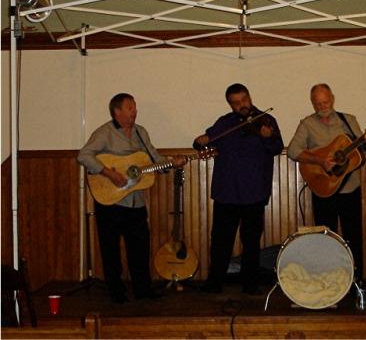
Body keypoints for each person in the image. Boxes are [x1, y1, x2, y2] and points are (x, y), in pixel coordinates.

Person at [77, 93, 186, 303]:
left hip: (136, 201)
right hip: (110, 201)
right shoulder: (104, 133)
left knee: (140, 247)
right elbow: (84, 155)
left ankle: (143, 290)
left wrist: (172, 163)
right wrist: (109, 173)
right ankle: (116, 292)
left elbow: (155, 159)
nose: (134, 111)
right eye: (130, 108)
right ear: (117, 111)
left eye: (135, 108)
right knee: (111, 250)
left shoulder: (141, 133)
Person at [193, 83, 284, 294]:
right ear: (231, 104)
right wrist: (200, 142)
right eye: (236, 103)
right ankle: (214, 282)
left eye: (244, 100)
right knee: (220, 241)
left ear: (249, 97)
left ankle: (250, 284)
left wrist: (267, 137)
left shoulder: (266, 121)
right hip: (227, 191)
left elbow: (276, 148)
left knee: (251, 241)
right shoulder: (225, 123)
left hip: (254, 193)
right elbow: (206, 142)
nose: (242, 105)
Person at [287, 83, 366, 282]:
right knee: (326, 238)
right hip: (323, 190)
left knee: (354, 237)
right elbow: (293, 151)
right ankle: (327, 281)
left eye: (325, 102)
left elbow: (365, 150)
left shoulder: (348, 120)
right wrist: (319, 161)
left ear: (332, 98)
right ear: (312, 103)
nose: (322, 106)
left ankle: (355, 281)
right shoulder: (307, 124)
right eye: (317, 104)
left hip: (350, 188)